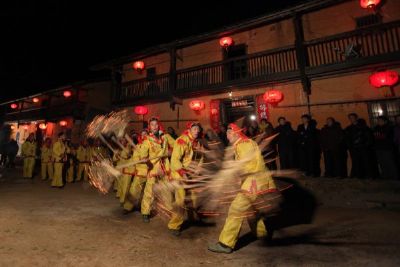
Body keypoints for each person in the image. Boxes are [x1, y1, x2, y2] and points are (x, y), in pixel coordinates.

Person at [208, 123, 278, 254]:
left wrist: (231, 173)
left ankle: (225, 243)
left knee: (236, 210)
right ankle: (261, 234)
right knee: (252, 210)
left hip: (253, 183)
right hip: (257, 181)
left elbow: (248, 165)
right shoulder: (245, 143)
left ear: (235, 133)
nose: (227, 136)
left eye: (229, 133)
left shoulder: (243, 145)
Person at [167, 122, 203, 236]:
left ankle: (193, 218)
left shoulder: (197, 142)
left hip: (190, 174)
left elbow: (201, 156)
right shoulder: (182, 140)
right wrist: (182, 172)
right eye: (194, 129)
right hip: (179, 174)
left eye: (198, 129)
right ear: (190, 129)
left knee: (193, 197)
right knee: (181, 200)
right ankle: (174, 225)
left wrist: (198, 167)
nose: (197, 131)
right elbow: (175, 159)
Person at [138, 117, 170, 223]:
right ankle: (145, 212)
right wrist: (145, 159)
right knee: (149, 192)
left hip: (165, 168)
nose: (155, 126)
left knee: (166, 190)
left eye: (156, 124)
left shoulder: (165, 137)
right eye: (152, 125)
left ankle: (167, 210)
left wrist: (170, 151)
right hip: (153, 168)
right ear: (149, 127)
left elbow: (172, 147)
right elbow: (142, 156)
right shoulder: (147, 140)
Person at [123, 129, 148, 213]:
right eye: (142, 134)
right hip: (140, 171)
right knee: (134, 190)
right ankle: (128, 207)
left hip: (151, 172)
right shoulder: (138, 146)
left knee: (146, 192)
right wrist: (141, 159)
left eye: (145, 134)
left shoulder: (153, 144)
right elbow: (135, 157)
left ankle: (141, 207)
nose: (144, 135)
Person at [345, 114, 377, 179]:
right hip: (354, 149)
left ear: (356, 118)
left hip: (363, 148)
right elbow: (347, 138)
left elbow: (368, 137)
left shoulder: (363, 127)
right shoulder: (349, 128)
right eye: (350, 118)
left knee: (366, 162)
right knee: (357, 162)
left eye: (352, 118)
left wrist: (365, 145)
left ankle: (369, 175)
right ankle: (359, 175)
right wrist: (350, 146)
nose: (351, 119)